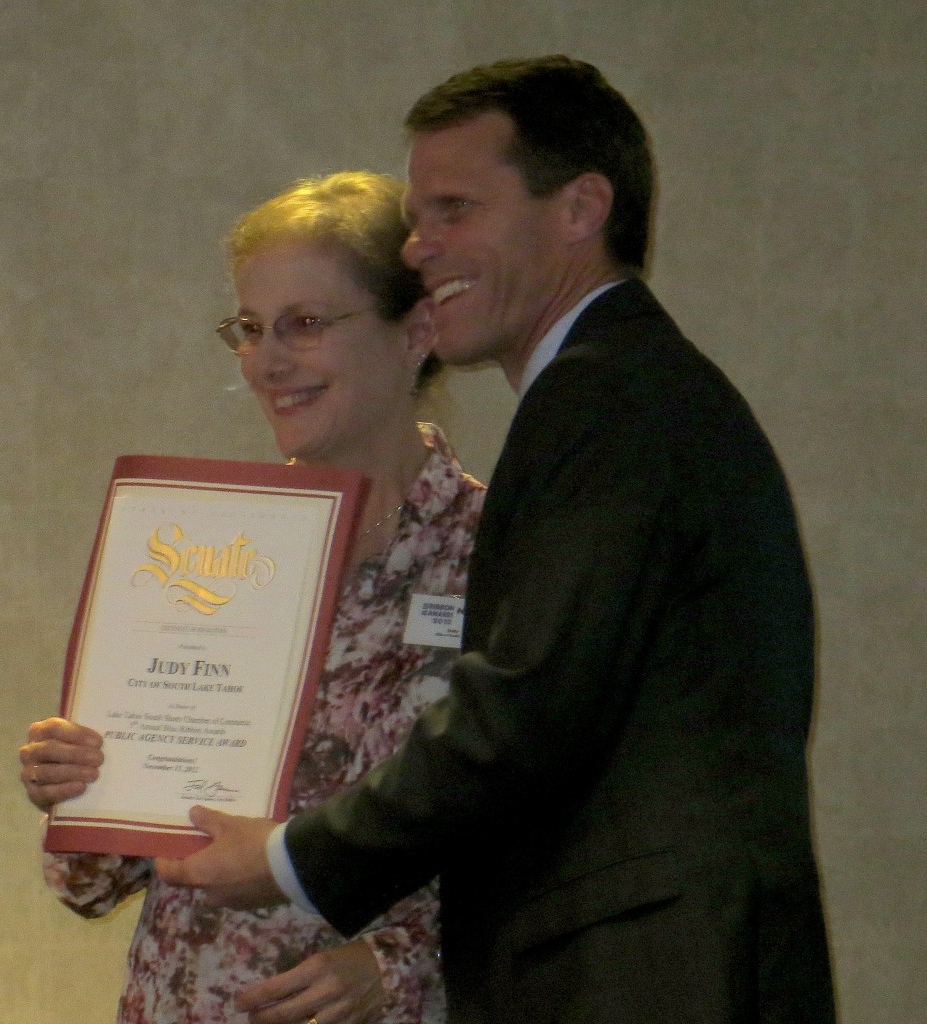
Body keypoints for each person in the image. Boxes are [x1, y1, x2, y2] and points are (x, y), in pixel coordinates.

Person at [157, 56, 837, 1023]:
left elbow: (526, 710)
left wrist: (291, 858)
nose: (422, 247)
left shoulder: (610, 399)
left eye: (456, 210)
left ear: (579, 209)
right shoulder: (623, 388)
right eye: (418, 219)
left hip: (645, 972)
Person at [18, 170, 486, 1024]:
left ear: (414, 329)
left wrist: (401, 964)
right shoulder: (211, 546)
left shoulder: (500, 552)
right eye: (251, 327)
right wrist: (80, 785)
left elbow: (554, 829)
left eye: (304, 325)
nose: (267, 361)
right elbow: (91, 885)